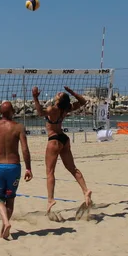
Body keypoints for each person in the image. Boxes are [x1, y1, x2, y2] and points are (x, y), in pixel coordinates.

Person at [32, 86, 93, 222]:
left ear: (59, 100)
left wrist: (35, 97)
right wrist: (72, 93)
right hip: (64, 140)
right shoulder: (66, 108)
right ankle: (85, 190)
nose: (58, 93)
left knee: (49, 172)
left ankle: (50, 199)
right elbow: (83, 102)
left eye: (60, 94)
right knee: (72, 168)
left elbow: (40, 113)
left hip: (54, 140)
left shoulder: (53, 109)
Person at [0, 101, 32, 239]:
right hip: (13, 167)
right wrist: (28, 168)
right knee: (10, 199)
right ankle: (5, 226)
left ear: (0, 113)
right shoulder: (18, 127)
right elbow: (25, 149)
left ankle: (5, 224)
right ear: (12, 112)